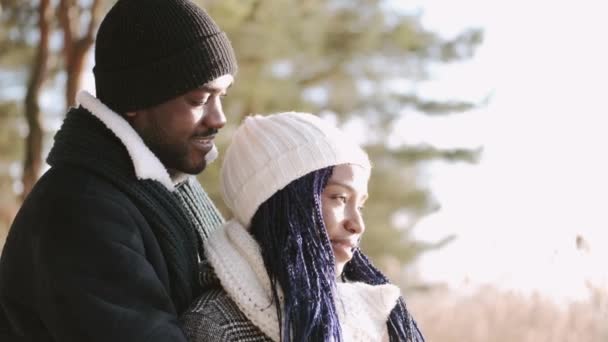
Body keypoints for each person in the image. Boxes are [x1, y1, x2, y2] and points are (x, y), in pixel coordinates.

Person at [0, 0, 237, 340]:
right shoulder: (80, 210)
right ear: (135, 100)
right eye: (200, 100)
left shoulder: (166, 191)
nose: (219, 118)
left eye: (222, 95)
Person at [180, 112, 424, 341]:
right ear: (282, 204)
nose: (357, 225)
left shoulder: (369, 309)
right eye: (340, 198)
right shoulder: (215, 326)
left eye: (359, 205)